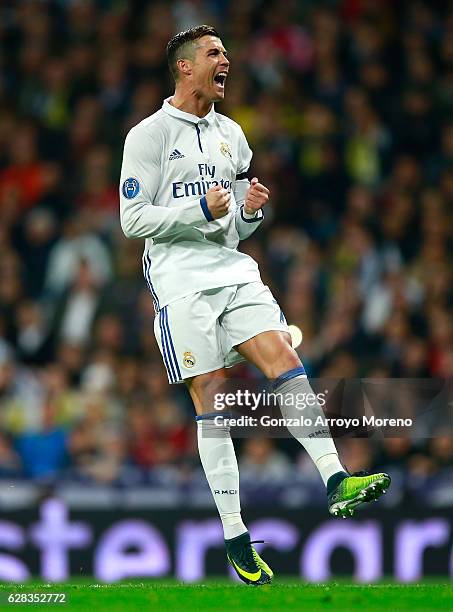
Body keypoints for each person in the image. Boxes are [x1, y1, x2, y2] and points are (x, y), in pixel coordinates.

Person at [119, 25, 391, 586]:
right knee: (214, 400)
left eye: (226, 53)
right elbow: (132, 220)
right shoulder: (147, 137)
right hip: (180, 284)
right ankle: (236, 537)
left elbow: (233, 228)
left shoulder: (232, 137)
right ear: (185, 68)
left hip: (233, 271)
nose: (227, 61)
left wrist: (249, 212)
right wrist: (200, 208)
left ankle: (337, 479)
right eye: (215, 54)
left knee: (285, 362)